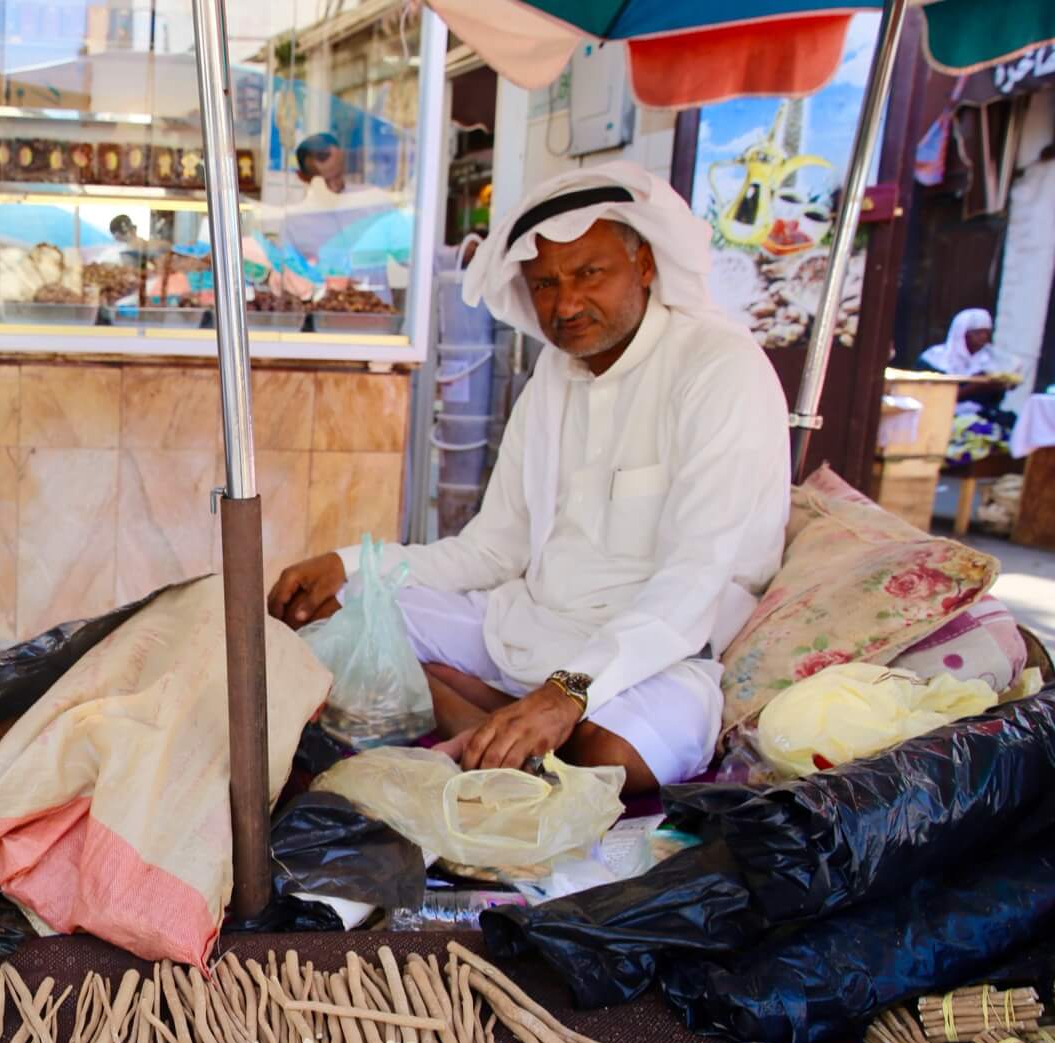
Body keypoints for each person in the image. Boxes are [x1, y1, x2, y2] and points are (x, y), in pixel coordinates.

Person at [268, 162, 790, 795]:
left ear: (645, 265)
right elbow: (494, 549)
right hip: (526, 627)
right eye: (544, 284)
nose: (565, 304)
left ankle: (482, 721)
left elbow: (691, 590)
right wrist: (350, 563)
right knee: (332, 614)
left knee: (613, 755)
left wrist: (565, 694)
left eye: (588, 274)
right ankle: (498, 729)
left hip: (659, 657)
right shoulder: (554, 376)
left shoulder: (719, 368)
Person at [921, 306, 1015, 456]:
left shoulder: (989, 361)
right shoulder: (935, 358)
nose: (983, 338)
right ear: (962, 335)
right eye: (977, 333)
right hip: (943, 416)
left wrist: (1000, 386)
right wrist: (973, 386)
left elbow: (993, 400)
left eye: (986, 333)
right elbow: (932, 397)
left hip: (980, 415)